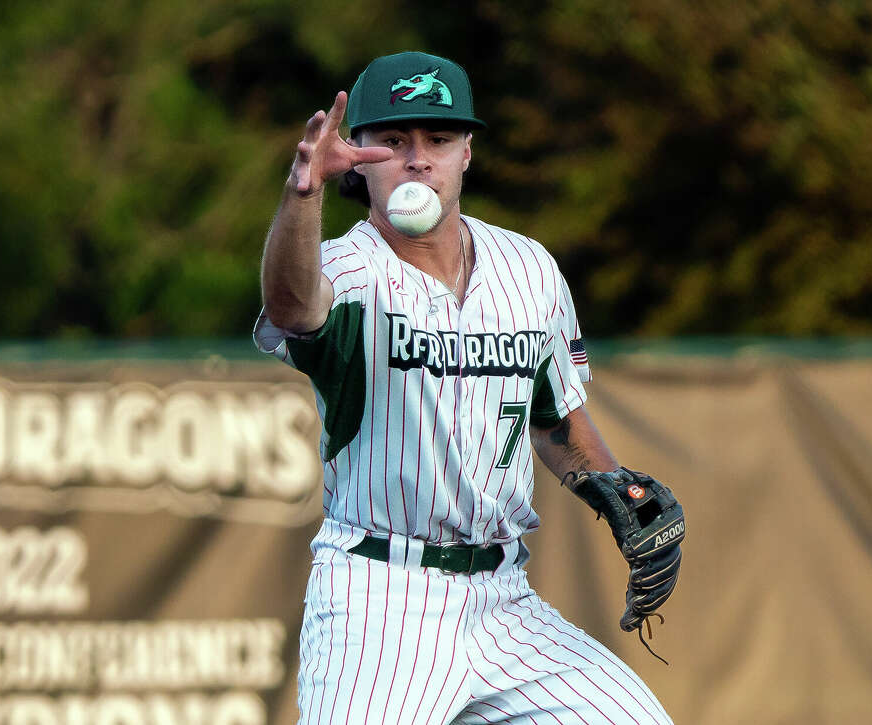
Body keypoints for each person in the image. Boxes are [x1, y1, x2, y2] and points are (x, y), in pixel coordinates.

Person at [255, 51, 676, 724]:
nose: (418, 158)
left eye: (439, 138)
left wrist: (615, 489)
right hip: (380, 598)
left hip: (505, 598)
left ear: (467, 152)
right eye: (393, 140)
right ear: (354, 155)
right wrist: (301, 195)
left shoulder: (528, 268)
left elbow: (552, 416)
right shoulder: (346, 270)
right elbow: (290, 306)